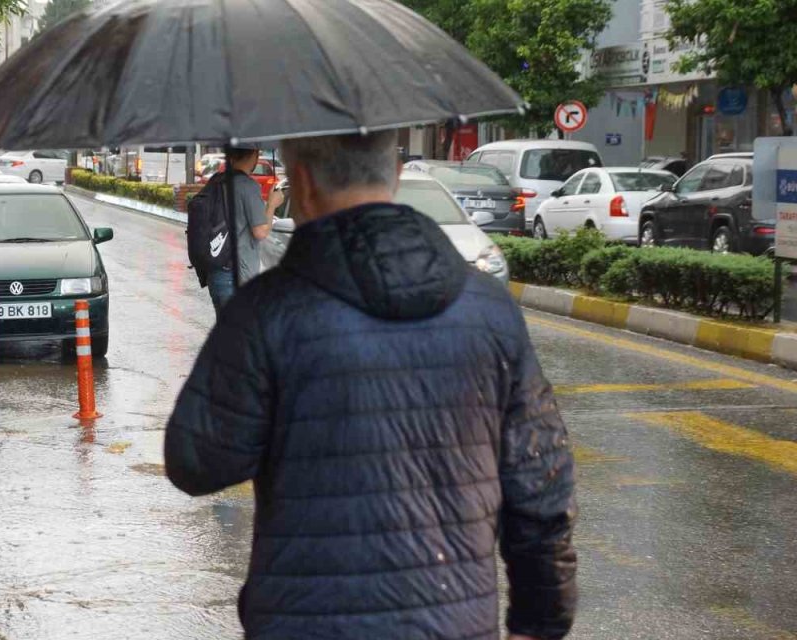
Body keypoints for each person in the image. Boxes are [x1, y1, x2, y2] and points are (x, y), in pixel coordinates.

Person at [165, 131, 577, 640]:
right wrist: (540, 622)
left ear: (302, 182)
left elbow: (195, 462)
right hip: (454, 622)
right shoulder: (490, 308)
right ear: (397, 177)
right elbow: (541, 488)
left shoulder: (264, 313)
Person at [205, 146, 284, 312]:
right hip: (237, 275)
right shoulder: (248, 186)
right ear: (254, 154)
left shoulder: (216, 181)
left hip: (215, 271)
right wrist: (272, 204)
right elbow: (260, 231)